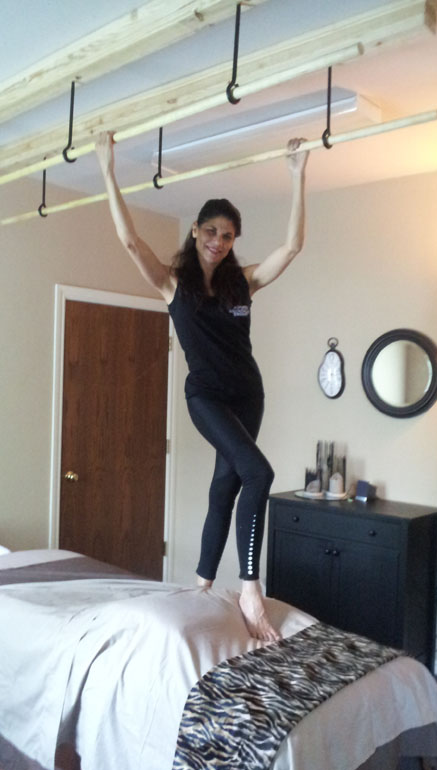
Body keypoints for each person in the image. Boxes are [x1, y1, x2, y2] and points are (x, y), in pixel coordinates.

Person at [96, 132, 309, 641]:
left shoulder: (243, 282)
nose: (219, 241)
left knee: (225, 488)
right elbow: (131, 241)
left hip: (248, 395)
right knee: (258, 473)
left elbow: (292, 247)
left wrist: (297, 175)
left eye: (228, 235)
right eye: (211, 230)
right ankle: (251, 590)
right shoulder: (173, 283)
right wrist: (107, 168)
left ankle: (201, 587)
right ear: (195, 231)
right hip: (206, 398)